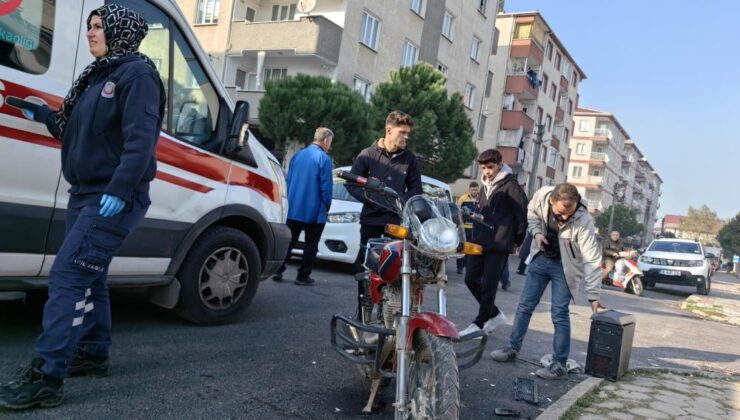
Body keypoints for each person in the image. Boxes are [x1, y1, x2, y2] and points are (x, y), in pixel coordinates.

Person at [0, 4, 165, 409]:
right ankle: (92, 352)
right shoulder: (97, 76)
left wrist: (121, 188)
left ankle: (46, 377)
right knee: (90, 277)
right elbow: (70, 128)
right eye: (89, 26)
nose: (91, 33)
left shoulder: (137, 74)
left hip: (111, 197)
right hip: (85, 193)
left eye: (98, 27)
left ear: (119, 31)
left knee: (67, 278)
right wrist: (37, 111)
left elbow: (141, 141)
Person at [490, 183, 604, 380]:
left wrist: (593, 294)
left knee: (559, 313)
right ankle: (512, 348)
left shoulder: (584, 219)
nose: (566, 217)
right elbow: (532, 213)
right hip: (541, 258)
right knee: (525, 305)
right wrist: (537, 233)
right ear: (552, 201)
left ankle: (559, 364)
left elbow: (592, 259)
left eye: (570, 212)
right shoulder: (542, 195)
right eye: (561, 212)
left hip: (565, 267)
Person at [347, 111, 422, 310]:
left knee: (394, 270)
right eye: (402, 132)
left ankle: (389, 311)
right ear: (389, 130)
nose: (406, 137)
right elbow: (351, 183)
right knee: (366, 267)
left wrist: (399, 203)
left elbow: (416, 189)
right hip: (371, 220)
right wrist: (372, 200)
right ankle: (364, 309)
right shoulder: (368, 154)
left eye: (408, 133)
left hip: (396, 225)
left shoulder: (410, 159)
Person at [459, 149, 527, 337]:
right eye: (483, 168)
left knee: (489, 285)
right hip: (479, 242)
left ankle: (480, 324)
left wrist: (516, 241)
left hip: (499, 243)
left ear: (499, 164)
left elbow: (521, 215)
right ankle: (495, 314)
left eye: (490, 167)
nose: (487, 171)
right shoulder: (484, 186)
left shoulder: (511, 185)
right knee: (470, 278)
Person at [272, 128, 334, 286]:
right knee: (311, 245)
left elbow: (288, 179)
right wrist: (327, 205)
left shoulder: (297, 156)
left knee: (289, 242)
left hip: (294, 207)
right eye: (330, 143)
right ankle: (302, 276)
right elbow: (326, 188)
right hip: (315, 210)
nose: (330, 146)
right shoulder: (324, 159)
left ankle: (278, 270)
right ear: (326, 141)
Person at [456, 182, 480, 274]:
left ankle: (469, 267)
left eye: (476, 189)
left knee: (471, 248)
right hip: (464, 227)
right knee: (462, 247)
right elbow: (457, 211)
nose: (474, 191)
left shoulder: (481, 199)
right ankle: (460, 267)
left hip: (475, 228)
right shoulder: (463, 198)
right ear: (469, 190)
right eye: (472, 190)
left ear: (478, 189)